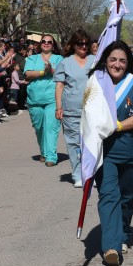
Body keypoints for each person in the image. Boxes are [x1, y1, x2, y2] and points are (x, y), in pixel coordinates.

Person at [89, 41, 133, 266]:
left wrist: (116, 125)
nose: (117, 64)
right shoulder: (95, 84)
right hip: (105, 153)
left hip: (131, 151)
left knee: (127, 198)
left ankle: (122, 232)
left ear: (128, 63)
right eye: (113, 59)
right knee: (108, 196)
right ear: (105, 61)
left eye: (122, 61)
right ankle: (111, 247)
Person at [54, 30, 95, 187]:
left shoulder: (95, 61)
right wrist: (58, 107)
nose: (83, 46)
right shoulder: (65, 63)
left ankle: (90, 173)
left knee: (92, 143)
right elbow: (60, 85)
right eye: (80, 43)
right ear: (73, 45)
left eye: (86, 43)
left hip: (92, 110)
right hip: (71, 111)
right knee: (74, 144)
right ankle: (78, 174)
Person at [24, 34, 63, 167]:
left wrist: (51, 70)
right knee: (39, 127)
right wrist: (42, 72)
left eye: (49, 42)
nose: (46, 43)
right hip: (35, 99)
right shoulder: (32, 58)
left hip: (53, 99)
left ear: (53, 45)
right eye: (44, 41)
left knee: (51, 127)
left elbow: (62, 75)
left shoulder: (59, 59)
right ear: (40, 44)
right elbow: (28, 73)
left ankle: (51, 156)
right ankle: (44, 151)